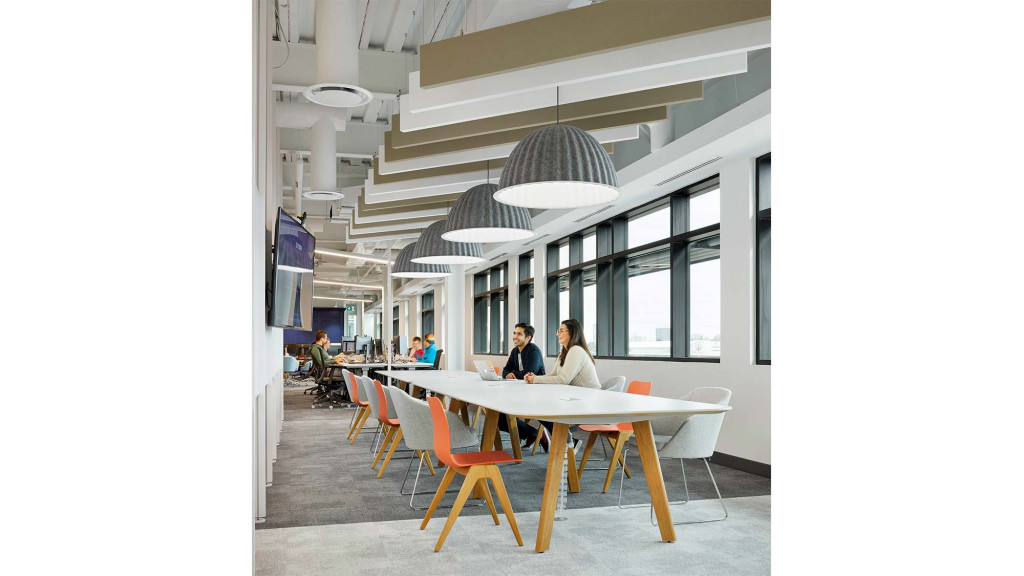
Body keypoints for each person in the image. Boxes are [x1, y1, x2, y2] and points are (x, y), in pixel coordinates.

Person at [496, 323, 548, 449]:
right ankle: (534, 434)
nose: (515, 336)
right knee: (498, 416)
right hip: (519, 391)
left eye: (519, 334)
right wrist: (509, 373)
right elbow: (505, 370)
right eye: (514, 333)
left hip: (535, 393)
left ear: (528, 338)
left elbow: (529, 372)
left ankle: (535, 434)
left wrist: (512, 373)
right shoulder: (515, 351)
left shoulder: (533, 351)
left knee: (503, 415)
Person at [524, 319, 600, 389]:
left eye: (561, 331)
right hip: (578, 394)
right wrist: (535, 377)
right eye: (558, 331)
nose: (557, 334)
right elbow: (554, 374)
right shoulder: (564, 352)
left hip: (590, 394)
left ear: (572, 333)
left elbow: (563, 380)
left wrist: (535, 379)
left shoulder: (576, 350)